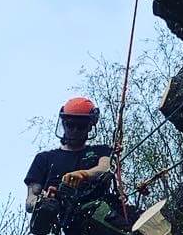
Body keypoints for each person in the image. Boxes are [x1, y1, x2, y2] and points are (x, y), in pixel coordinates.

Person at [24, 97, 117, 226]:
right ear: (63, 124)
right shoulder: (44, 159)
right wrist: (42, 201)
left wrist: (84, 175)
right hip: (70, 221)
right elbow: (30, 200)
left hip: (102, 211)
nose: (74, 130)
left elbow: (106, 167)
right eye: (70, 125)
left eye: (80, 126)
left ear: (90, 127)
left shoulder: (101, 151)